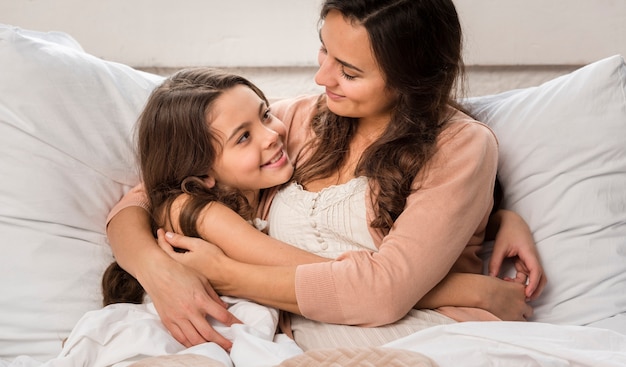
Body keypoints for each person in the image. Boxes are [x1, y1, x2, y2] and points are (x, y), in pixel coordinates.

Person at [107, 0, 546, 351]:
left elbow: (383, 293)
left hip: (421, 338)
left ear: (412, 81)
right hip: (307, 343)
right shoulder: (293, 122)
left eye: (349, 72)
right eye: (325, 51)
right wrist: (158, 273)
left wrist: (223, 273)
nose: (322, 78)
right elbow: (151, 191)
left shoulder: (458, 146)